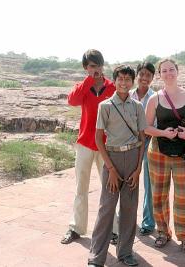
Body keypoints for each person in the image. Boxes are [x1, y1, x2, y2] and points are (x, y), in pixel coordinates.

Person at [88, 65, 146, 267]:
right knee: (107, 209)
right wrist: (111, 169)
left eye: (128, 79)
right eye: (120, 79)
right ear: (114, 81)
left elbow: (142, 138)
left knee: (129, 209)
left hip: (132, 159)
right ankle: (96, 257)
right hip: (112, 158)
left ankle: (125, 253)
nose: (124, 83)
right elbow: (98, 138)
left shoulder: (137, 106)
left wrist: (138, 169)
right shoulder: (105, 106)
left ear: (132, 82)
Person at [61, 49, 117, 245]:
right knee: (81, 187)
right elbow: (72, 101)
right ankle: (76, 228)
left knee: (110, 188)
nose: (97, 69)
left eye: (99, 65)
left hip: (107, 145)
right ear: (86, 68)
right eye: (92, 66)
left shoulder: (112, 87)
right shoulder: (83, 87)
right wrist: (88, 82)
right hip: (85, 143)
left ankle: (113, 230)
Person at [145, 58, 185, 253]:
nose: (168, 73)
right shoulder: (155, 98)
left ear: (178, 71)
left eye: (171, 69)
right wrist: (163, 133)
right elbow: (147, 127)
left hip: (183, 151)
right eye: (164, 71)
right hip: (159, 150)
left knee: (183, 195)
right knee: (159, 194)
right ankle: (162, 232)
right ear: (160, 75)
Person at [129, 61, 156, 236]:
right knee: (129, 182)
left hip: (147, 141)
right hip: (129, 142)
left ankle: (148, 222)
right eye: (142, 74)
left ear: (152, 78)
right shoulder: (128, 95)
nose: (144, 78)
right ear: (137, 75)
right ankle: (128, 220)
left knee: (148, 183)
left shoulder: (155, 97)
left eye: (148, 75)